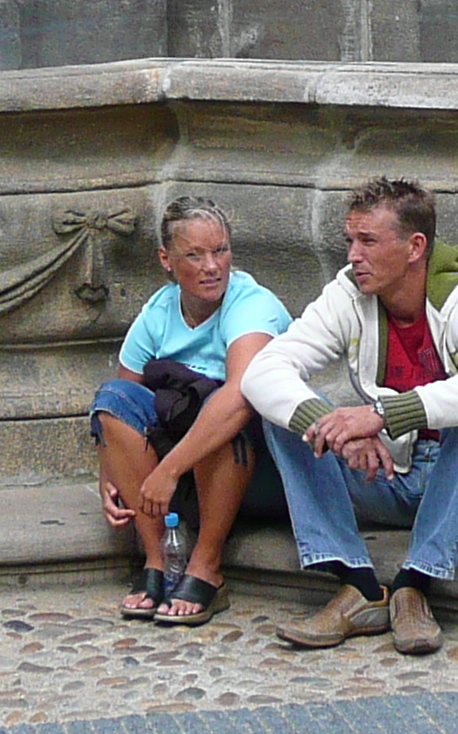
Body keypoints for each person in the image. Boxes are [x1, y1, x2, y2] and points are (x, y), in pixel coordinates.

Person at [240, 179, 458, 658]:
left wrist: (380, 415)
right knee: (286, 413)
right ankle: (358, 585)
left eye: (368, 241)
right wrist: (334, 426)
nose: (353, 255)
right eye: (350, 241)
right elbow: (264, 370)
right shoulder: (347, 295)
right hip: (391, 475)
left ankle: (416, 584)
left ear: (415, 247)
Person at [90, 198, 293, 628]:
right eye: (195, 255)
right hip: (179, 475)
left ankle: (206, 567)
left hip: (254, 466)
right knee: (113, 397)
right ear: (166, 260)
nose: (211, 266)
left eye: (220, 251)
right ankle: (158, 562)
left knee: (218, 404)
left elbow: (240, 396)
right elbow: (123, 398)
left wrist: (167, 471)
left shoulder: (252, 305)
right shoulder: (159, 310)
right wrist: (109, 474)